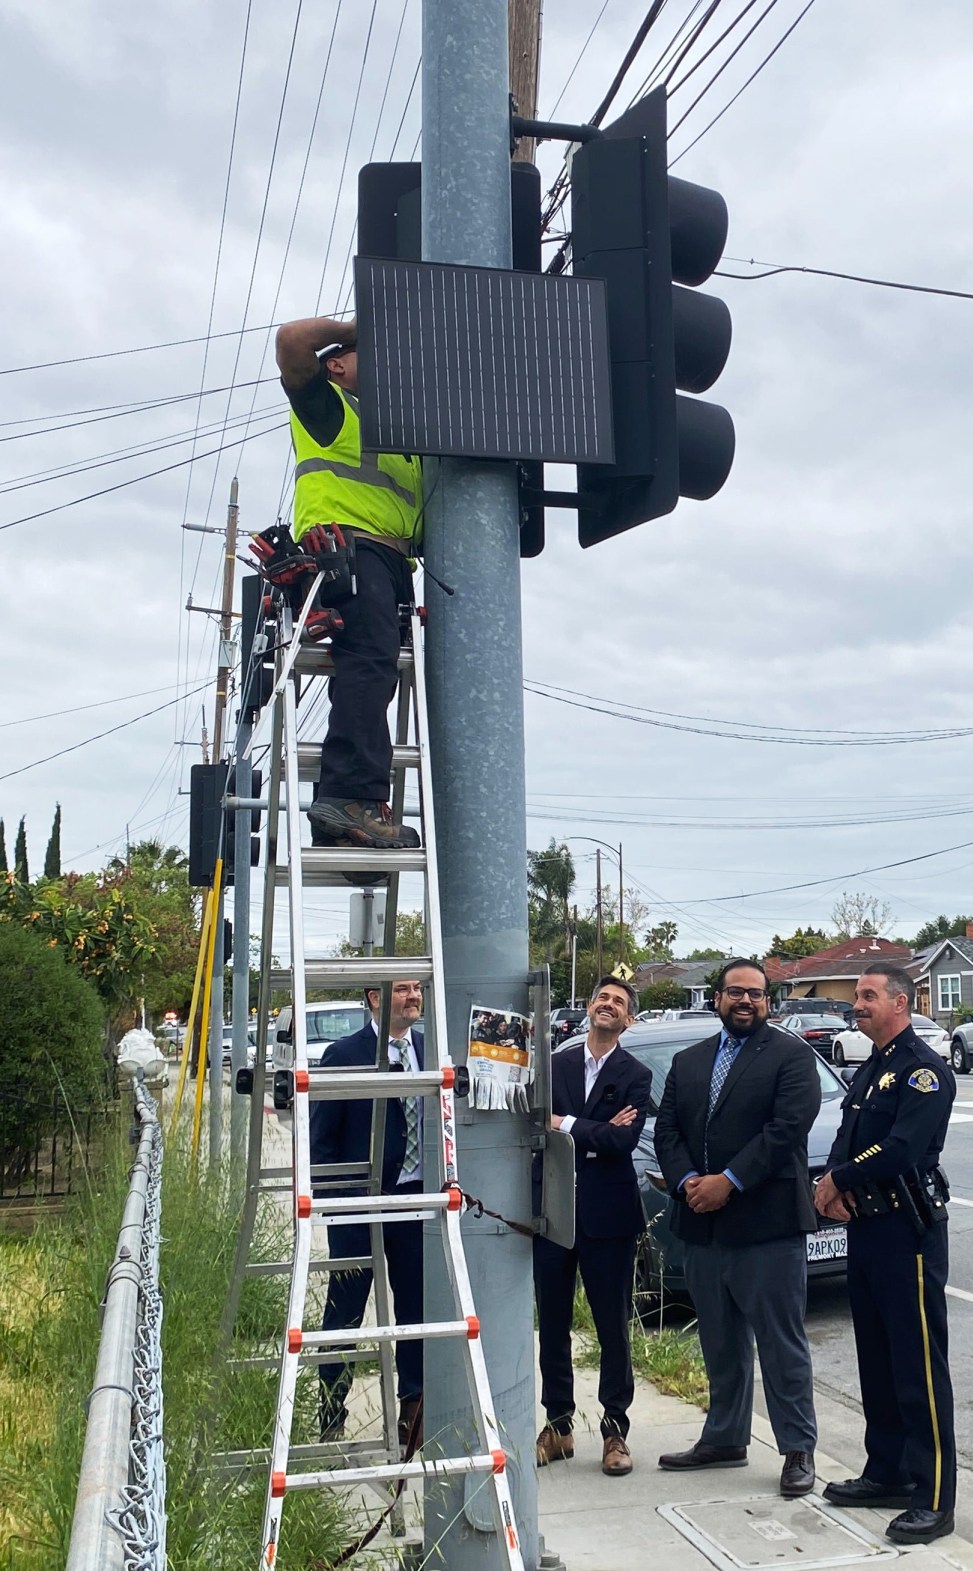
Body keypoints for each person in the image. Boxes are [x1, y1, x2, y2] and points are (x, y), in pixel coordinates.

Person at [652, 958, 821, 1498]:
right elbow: (668, 1131)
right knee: (720, 1341)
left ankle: (797, 1449)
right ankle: (724, 1438)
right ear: (717, 999)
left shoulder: (791, 1056)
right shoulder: (688, 1060)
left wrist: (728, 1180)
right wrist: (686, 1184)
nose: (745, 1002)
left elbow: (787, 1130)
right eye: (735, 993)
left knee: (780, 1343)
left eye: (756, 994)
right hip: (701, 1225)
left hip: (766, 1224)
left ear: (768, 1002)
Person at [815, 961, 958, 1545]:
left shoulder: (923, 1073)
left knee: (919, 1368)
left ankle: (933, 1497)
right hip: (867, 1230)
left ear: (901, 1003)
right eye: (857, 996)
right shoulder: (873, 1068)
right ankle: (887, 1472)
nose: (858, 1004)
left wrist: (837, 1178)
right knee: (876, 1359)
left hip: (908, 1233)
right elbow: (848, 1139)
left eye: (869, 995)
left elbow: (901, 1150)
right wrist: (833, 1181)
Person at [275, 314, 422, 851]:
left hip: (387, 565)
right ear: (337, 365)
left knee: (372, 670)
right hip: (347, 552)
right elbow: (292, 342)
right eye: (370, 355)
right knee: (369, 662)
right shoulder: (331, 409)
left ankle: (344, 810)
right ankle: (349, 797)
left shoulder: (402, 436)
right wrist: (361, 325)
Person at [533, 976, 652, 1476]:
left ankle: (615, 1431)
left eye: (619, 1003)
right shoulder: (553, 1065)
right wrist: (594, 1130)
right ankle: (558, 1425)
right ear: (588, 1007)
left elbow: (622, 1144)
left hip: (609, 1219)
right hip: (554, 1214)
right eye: (602, 998)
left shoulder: (636, 1074)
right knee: (553, 1324)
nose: (608, 1006)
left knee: (611, 1327)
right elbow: (536, 1123)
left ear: (628, 1020)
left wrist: (566, 1124)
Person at [309, 979, 427, 1450]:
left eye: (417, 989)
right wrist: (335, 1204)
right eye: (402, 990)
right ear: (375, 999)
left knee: (417, 1310)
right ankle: (332, 1416)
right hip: (358, 1205)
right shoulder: (343, 1054)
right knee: (344, 1313)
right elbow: (322, 1139)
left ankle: (413, 1417)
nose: (414, 997)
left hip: (416, 1201)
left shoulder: (429, 1048)